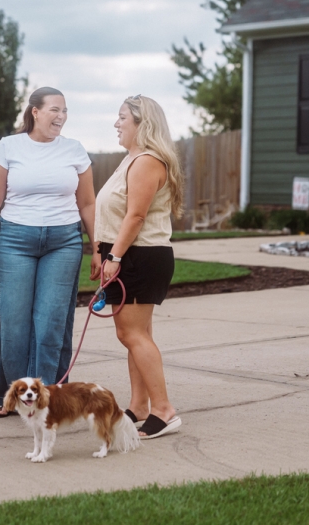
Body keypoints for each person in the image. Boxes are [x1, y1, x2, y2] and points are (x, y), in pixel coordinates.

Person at [0, 87, 99, 418]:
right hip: (16, 239)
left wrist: (98, 250)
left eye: (65, 111)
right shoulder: (8, 147)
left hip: (64, 242)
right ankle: (11, 392)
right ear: (35, 112)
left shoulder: (74, 150)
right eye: (55, 110)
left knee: (51, 324)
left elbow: (87, 203)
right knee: (14, 324)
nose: (61, 116)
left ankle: (49, 396)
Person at [94, 95, 184, 440]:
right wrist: (101, 253)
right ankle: (139, 407)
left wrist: (113, 258)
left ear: (141, 124)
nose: (117, 124)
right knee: (137, 335)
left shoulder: (146, 161)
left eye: (122, 118)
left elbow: (136, 216)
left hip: (139, 256)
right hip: (132, 254)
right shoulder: (132, 159)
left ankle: (164, 410)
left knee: (130, 334)